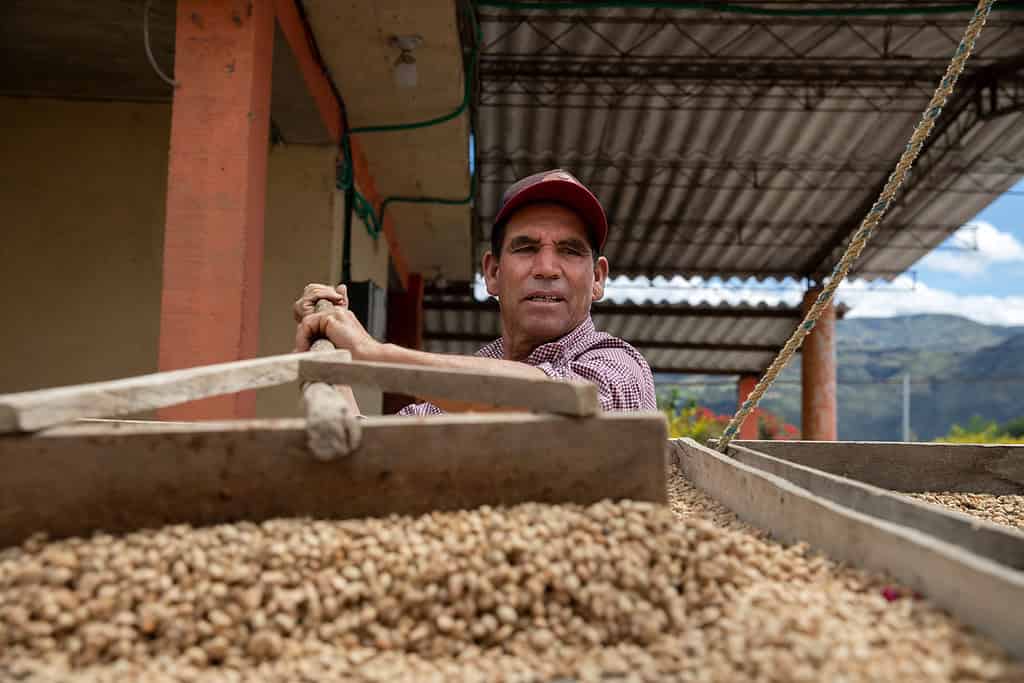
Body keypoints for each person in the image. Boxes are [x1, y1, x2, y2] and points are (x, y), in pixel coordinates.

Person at [294, 169, 656, 415]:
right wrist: (329, 366)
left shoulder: (619, 368)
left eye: (570, 251)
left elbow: (562, 399)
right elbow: (374, 456)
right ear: (493, 273)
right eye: (526, 248)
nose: (547, 268)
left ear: (597, 278)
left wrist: (374, 356)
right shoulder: (454, 394)